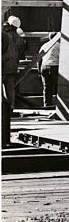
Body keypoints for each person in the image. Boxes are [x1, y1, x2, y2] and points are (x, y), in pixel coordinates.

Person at [2, 16, 25, 144]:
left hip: (4, 66)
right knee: (10, 90)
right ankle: (10, 109)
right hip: (12, 67)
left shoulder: (5, 36)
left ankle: (5, 110)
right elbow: (21, 54)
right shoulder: (19, 38)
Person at [37, 32, 60, 108]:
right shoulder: (59, 46)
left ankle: (47, 104)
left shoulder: (44, 45)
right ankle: (58, 106)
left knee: (46, 87)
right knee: (57, 87)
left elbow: (38, 59)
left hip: (44, 66)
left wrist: (39, 70)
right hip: (54, 66)